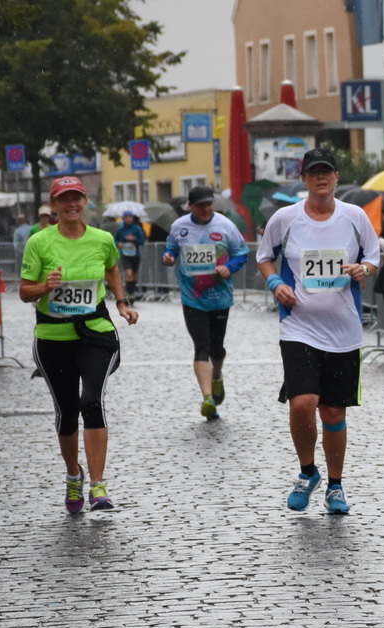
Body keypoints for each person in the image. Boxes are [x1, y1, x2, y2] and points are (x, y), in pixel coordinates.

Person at [257, 147, 381, 513]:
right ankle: (307, 472)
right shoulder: (286, 218)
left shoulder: (355, 217)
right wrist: (276, 283)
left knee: (332, 412)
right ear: (304, 179)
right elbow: (264, 257)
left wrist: (365, 270)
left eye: (327, 171)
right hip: (299, 327)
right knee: (302, 403)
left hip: (344, 331)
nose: (321, 177)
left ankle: (335, 485)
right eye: (314, 172)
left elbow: (374, 256)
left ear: (337, 177)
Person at [19, 175, 140, 513]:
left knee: (91, 401)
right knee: (67, 412)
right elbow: (24, 290)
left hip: (95, 333)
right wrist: (45, 286)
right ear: (54, 205)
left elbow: (113, 268)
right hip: (53, 337)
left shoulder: (102, 239)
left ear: (85, 202)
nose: (71, 205)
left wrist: (122, 303)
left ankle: (99, 485)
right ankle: (74, 476)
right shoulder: (39, 242)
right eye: (63, 199)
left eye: (77, 198)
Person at [163, 185, 252, 420]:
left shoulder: (225, 226)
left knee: (217, 348)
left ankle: (217, 375)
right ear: (190, 206)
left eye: (209, 204)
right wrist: (168, 256)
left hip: (220, 296)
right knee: (201, 346)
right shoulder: (179, 227)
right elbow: (170, 248)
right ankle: (207, 399)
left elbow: (242, 253)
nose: (206, 208)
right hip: (193, 298)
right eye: (200, 205)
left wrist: (229, 267)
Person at [114, 211, 147, 300]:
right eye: (126, 217)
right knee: (129, 274)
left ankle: (132, 290)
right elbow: (115, 240)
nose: (128, 219)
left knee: (134, 275)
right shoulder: (121, 229)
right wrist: (119, 244)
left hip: (135, 254)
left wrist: (134, 239)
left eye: (130, 217)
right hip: (125, 254)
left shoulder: (137, 228)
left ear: (132, 218)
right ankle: (130, 294)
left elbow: (142, 241)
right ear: (124, 219)